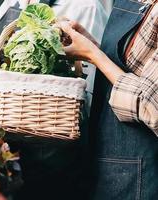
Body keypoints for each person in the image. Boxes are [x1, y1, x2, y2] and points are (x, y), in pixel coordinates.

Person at [0, 0, 108, 199]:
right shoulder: (13, 2)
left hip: (53, 160)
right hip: (9, 151)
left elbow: (86, 93)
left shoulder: (84, 7)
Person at [58, 0, 157, 199]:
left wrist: (93, 54)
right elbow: (131, 68)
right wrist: (91, 45)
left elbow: (153, 107)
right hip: (106, 159)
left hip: (140, 174)